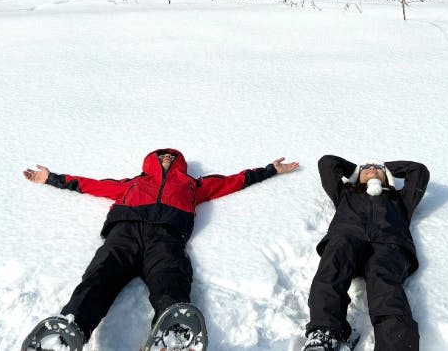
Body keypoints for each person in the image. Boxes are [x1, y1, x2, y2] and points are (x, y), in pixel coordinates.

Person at [22, 148, 299, 347]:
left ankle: (174, 331)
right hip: (125, 233)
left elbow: (232, 181)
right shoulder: (132, 183)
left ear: (179, 163)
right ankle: (69, 329)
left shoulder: (193, 185)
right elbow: (90, 185)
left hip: (166, 237)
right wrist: (50, 178)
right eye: (161, 155)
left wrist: (270, 170)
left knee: (171, 275)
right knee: (99, 276)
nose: (166, 158)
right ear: (151, 161)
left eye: (172, 156)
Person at [303, 155, 429, 351]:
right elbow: (327, 163)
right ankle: (324, 334)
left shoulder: (400, 199)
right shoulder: (346, 193)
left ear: (386, 177)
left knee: (386, 287)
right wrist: (355, 171)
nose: (372, 169)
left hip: (388, 245)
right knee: (331, 271)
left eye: (377, 169)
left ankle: (396, 346)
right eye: (367, 168)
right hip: (346, 238)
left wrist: (387, 167)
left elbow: (419, 171)